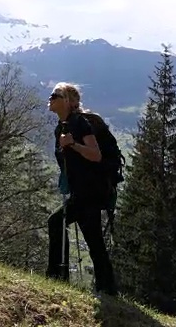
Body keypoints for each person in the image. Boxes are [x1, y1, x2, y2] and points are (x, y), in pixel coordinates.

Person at [45, 82, 118, 297]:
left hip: (92, 191)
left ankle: (58, 275)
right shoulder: (62, 127)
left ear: (67, 101)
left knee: (57, 222)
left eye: (55, 95)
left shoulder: (80, 124)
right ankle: (107, 288)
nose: (50, 98)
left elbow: (96, 155)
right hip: (83, 191)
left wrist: (73, 145)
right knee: (93, 239)